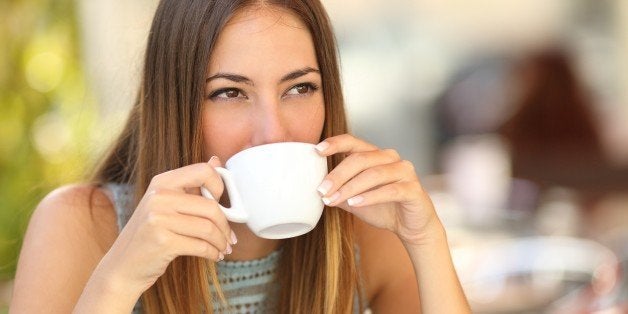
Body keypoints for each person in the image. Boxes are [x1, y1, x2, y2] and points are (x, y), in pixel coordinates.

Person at [10, 0, 470, 313]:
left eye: (299, 88)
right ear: (177, 104)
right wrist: (117, 281)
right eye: (229, 92)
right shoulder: (84, 225)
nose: (273, 131)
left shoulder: (362, 230)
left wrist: (426, 241)